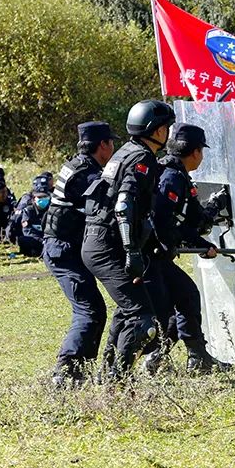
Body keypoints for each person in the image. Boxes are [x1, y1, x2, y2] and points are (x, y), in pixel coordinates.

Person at [81, 99, 175, 378]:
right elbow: (124, 205)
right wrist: (131, 250)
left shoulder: (126, 152)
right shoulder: (142, 158)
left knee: (127, 311)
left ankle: (107, 376)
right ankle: (117, 381)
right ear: (157, 131)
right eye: (166, 127)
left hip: (100, 241)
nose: (168, 132)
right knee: (143, 319)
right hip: (108, 245)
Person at [144, 123, 229, 374]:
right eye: (201, 151)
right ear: (195, 152)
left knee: (183, 299)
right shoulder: (171, 177)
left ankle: (184, 357)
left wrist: (202, 244)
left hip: (157, 253)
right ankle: (171, 357)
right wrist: (188, 244)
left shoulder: (175, 174)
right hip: (152, 254)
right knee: (176, 302)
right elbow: (162, 221)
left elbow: (189, 223)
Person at [43, 121, 118, 386]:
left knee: (95, 310)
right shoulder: (84, 174)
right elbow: (106, 200)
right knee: (89, 310)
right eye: (112, 143)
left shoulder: (83, 166)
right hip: (63, 250)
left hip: (71, 247)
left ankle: (80, 371)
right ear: (103, 146)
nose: (114, 148)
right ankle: (65, 371)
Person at [17, 187, 51, 257]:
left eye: (45, 197)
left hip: (49, 239)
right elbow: (27, 231)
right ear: (34, 199)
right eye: (39, 197)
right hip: (36, 240)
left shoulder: (52, 210)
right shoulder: (28, 211)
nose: (42, 199)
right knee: (23, 240)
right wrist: (41, 241)